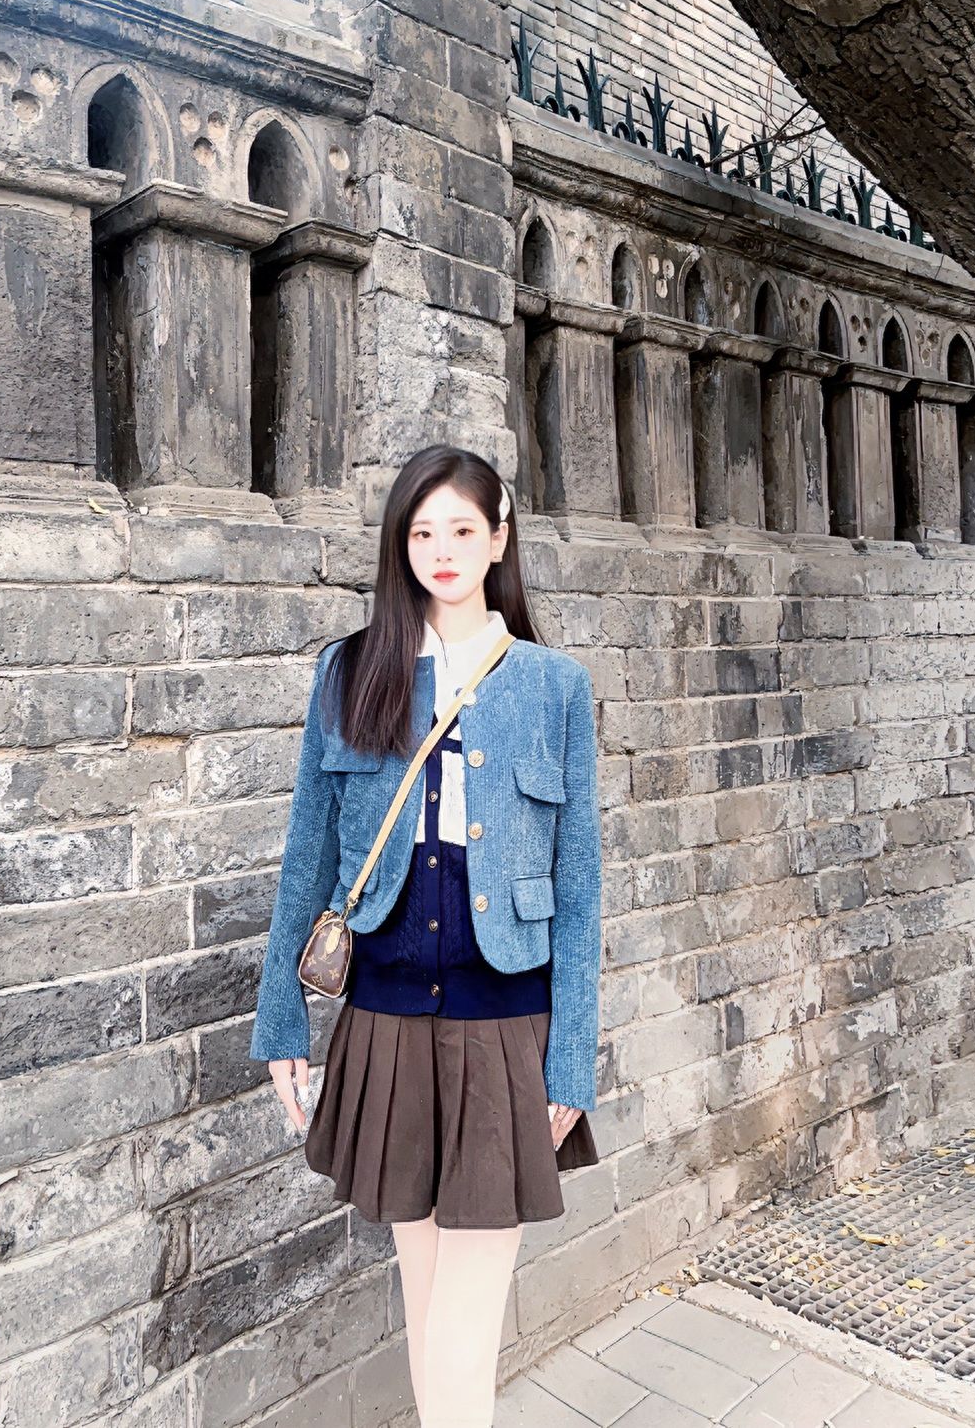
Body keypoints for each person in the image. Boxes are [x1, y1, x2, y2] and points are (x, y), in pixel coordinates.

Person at [248, 443, 603, 1428]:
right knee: (423, 1283)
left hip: (505, 1024)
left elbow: (579, 895)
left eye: (459, 529)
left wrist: (569, 1061)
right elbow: (306, 859)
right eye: (419, 532)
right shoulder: (350, 670)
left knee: (468, 1302)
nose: (440, 550)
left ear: (498, 539)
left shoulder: (552, 685)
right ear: (398, 545)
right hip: (386, 1018)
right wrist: (281, 1018)